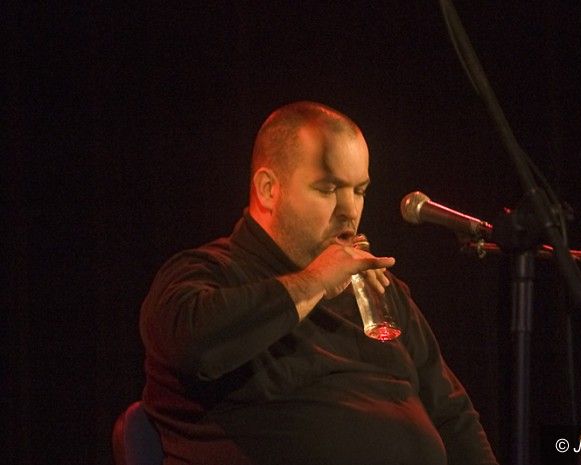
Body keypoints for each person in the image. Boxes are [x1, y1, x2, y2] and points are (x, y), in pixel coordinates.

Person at [140, 101, 498, 465]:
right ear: (268, 189)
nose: (350, 211)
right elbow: (192, 344)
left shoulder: (378, 290)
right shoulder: (209, 272)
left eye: (359, 190)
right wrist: (316, 281)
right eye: (328, 189)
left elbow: (452, 416)